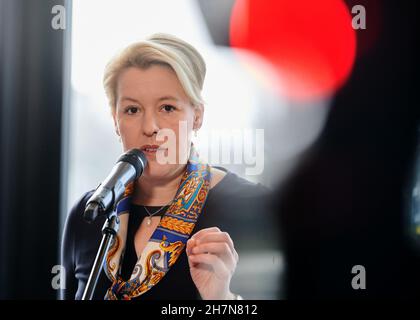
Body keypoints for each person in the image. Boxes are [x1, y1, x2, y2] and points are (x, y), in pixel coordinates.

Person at [61, 33, 273, 300]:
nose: (150, 127)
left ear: (197, 116)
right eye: (132, 110)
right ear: (115, 120)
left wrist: (221, 299)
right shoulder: (90, 212)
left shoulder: (251, 209)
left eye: (168, 108)